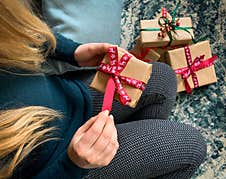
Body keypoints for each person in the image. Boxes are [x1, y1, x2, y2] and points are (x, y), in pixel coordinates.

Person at [0, 0, 207, 179]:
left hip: (66, 97)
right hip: (62, 163)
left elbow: (14, 30)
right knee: (192, 148)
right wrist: (72, 165)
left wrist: (72, 51)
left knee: (162, 77)